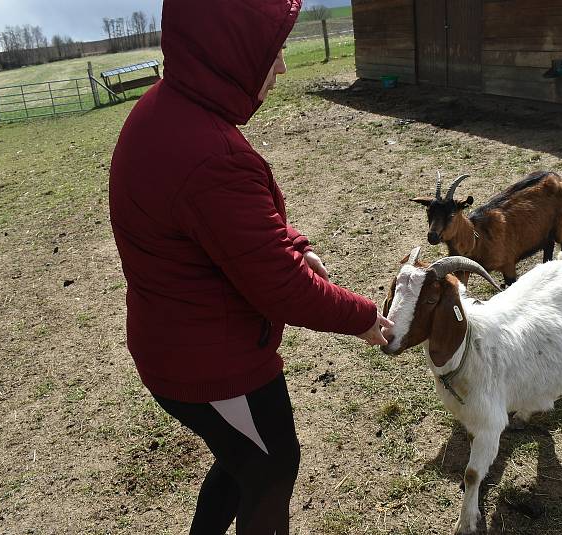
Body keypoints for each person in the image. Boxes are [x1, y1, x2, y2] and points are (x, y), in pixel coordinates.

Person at [108, 1, 392, 533]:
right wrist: (362, 317)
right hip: (214, 364)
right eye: (272, 50)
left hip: (181, 339)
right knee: (270, 465)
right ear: (230, 51)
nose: (282, 65)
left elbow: (234, 227)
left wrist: (293, 241)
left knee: (244, 459)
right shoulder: (210, 152)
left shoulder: (169, 109)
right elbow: (280, 285)